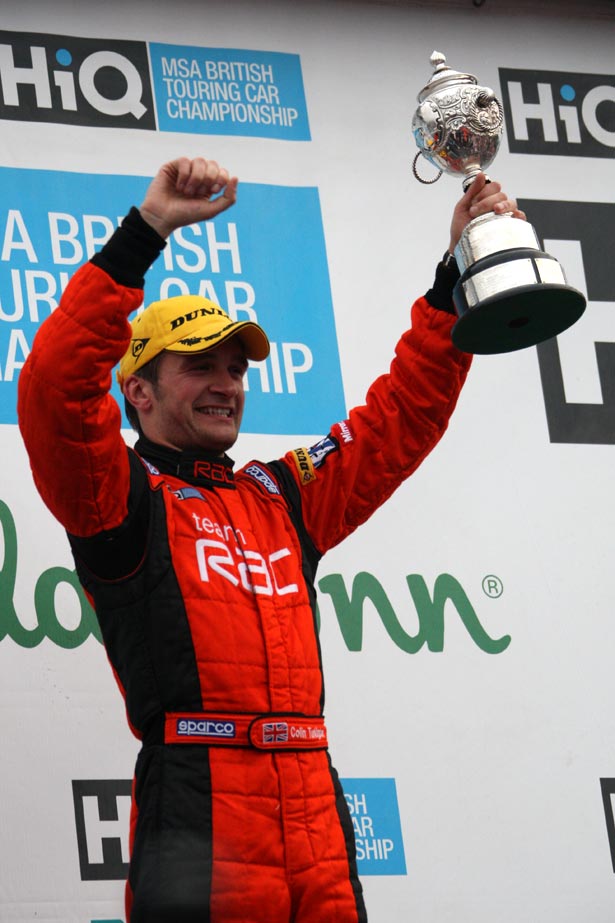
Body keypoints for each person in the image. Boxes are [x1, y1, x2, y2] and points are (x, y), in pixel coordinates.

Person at [17, 156, 524, 923]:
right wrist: (143, 233)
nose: (227, 382)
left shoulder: (279, 492)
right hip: (199, 809)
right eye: (198, 366)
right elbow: (55, 385)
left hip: (316, 809)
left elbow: (399, 419)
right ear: (139, 390)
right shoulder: (118, 497)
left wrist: (453, 278)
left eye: (235, 366)